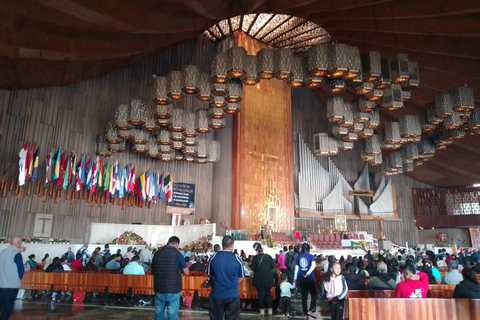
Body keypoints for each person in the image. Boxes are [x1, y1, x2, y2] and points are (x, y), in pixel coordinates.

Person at [207, 235, 245, 320]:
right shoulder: (237, 258)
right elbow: (241, 277)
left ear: (222, 245)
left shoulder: (213, 257)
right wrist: (232, 283)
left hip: (217, 294)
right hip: (232, 294)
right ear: (232, 246)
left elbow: (209, 274)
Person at [152, 236, 189, 320]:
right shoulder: (177, 254)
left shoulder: (157, 253)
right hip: (173, 288)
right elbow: (186, 272)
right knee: (172, 315)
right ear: (176, 244)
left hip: (159, 288)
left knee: (158, 314)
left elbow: (153, 270)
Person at [0, 236, 25, 319]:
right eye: (20, 242)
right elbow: (20, 270)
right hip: (11, 285)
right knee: (7, 309)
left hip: (1, 284)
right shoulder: (17, 254)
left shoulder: (3, 252)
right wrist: (19, 279)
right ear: (18, 243)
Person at [251, 244, 275, 316]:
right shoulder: (269, 257)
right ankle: (270, 310)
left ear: (257, 251)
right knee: (268, 295)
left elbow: (253, 268)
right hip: (268, 278)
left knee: (261, 295)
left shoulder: (255, 258)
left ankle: (262, 311)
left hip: (259, 279)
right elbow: (272, 266)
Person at [294, 243, 317, 319]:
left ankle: (305, 314)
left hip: (301, 278)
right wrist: (307, 273)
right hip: (310, 278)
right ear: (308, 249)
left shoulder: (298, 257)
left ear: (302, 249)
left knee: (304, 296)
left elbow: (296, 269)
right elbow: (313, 266)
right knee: (314, 295)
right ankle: (311, 310)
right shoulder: (311, 256)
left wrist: (295, 278)